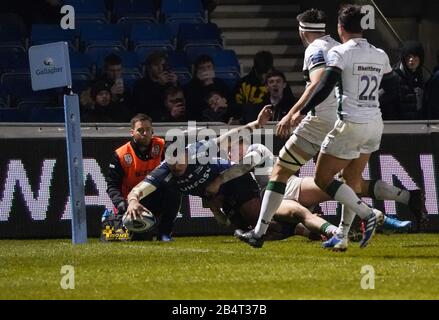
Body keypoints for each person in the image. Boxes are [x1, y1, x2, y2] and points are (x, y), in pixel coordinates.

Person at [235, 5, 427, 250]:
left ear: (303, 31)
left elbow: (318, 84)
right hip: (368, 122)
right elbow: (392, 89)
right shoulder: (362, 50)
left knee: (285, 173)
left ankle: (260, 232)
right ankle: (348, 233)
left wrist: (295, 111)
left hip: (326, 122)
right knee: (350, 181)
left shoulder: (321, 49)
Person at [125, 107, 297, 241]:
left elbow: (230, 137)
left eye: (179, 158)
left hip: (235, 179)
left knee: (257, 220)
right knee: (244, 228)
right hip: (218, 194)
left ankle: (302, 225)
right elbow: (139, 189)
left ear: (186, 153)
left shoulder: (198, 151)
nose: (175, 165)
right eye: (171, 159)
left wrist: (257, 124)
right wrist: (133, 202)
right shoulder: (164, 171)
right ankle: (292, 226)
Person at [104, 113, 180, 241]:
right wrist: (123, 205)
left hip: (155, 197)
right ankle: (111, 219)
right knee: (135, 237)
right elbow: (112, 186)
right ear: (132, 132)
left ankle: (165, 233)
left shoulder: (162, 147)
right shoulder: (121, 155)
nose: (145, 133)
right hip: (131, 202)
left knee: (174, 188)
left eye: (148, 130)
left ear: (152, 131)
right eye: (140, 130)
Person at [381, 41, 426, 120]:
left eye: (415, 56)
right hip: (398, 126)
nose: (411, 59)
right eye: (409, 56)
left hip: (417, 125)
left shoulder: (421, 77)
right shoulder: (394, 77)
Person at [132, 51, 178, 121]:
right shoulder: (140, 84)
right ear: (149, 67)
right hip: (148, 120)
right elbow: (144, 105)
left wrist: (175, 84)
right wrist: (159, 85)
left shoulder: (169, 83)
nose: (160, 68)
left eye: (162, 65)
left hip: (169, 119)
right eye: (156, 65)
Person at [184, 55, 232, 120]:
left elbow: (229, 101)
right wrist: (207, 85)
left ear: (213, 68)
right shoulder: (190, 87)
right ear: (196, 71)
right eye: (202, 68)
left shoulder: (220, 84)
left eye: (209, 67)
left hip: (221, 119)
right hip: (199, 121)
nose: (206, 70)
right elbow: (193, 108)